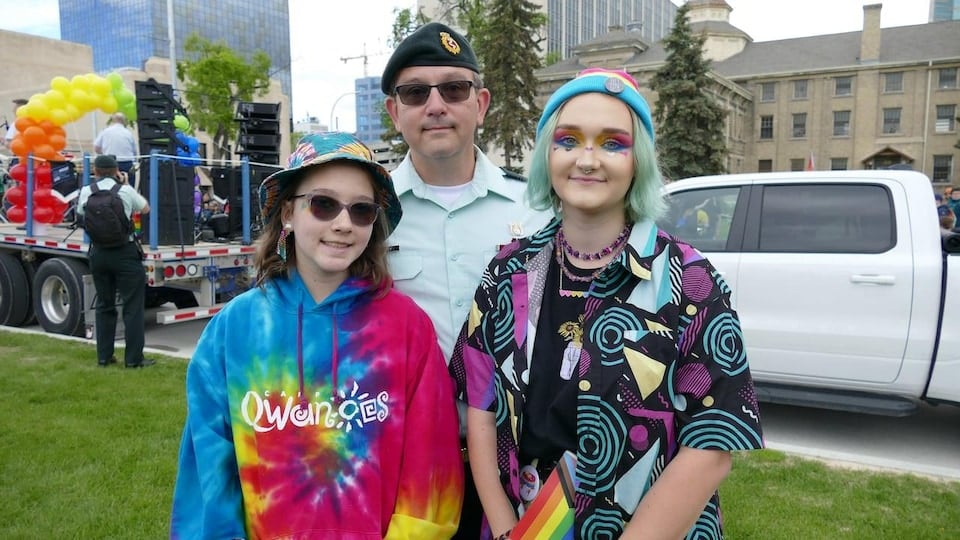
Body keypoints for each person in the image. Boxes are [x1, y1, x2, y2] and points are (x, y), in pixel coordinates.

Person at [449, 69, 765, 539]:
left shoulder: (691, 282)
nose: (588, 159)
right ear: (547, 156)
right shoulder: (507, 273)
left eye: (613, 143)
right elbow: (479, 405)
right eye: (568, 140)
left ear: (637, 162)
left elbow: (713, 445)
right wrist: (503, 527)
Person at [170, 132, 464, 539]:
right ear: (288, 213)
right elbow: (209, 474)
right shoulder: (235, 327)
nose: (343, 224)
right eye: (323, 204)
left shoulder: (406, 327)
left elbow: (431, 466)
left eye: (362, 210)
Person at [381, 21, 553, 539]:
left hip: (520, 458)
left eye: (453, 89)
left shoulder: (540, 211)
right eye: (415, 92)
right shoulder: (365, 213)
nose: (435, 105)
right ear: (395, 111)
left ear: (480, 103)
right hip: (406, 460)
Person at [76, 154, 152, 368]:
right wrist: (125, 184)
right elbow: (145, 208)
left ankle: (104, 356)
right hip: (125, 253)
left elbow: (81, 212)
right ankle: (134, 359)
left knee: (104, 305)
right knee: (132, 307)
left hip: (99, 253)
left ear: (96, 172)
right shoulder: (124, 190)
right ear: (117, 169)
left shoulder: (86, 191)